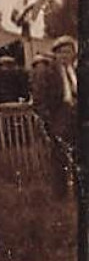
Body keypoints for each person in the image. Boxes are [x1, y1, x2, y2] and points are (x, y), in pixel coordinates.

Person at [33, 37, 79, 198]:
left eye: (68, 52)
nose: (65, 56)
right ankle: (60, 196)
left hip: (76, 119)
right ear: (55, 55)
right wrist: (48, 122)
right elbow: (39, 100)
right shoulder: (49, 72)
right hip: (58, 120)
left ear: (74, 54)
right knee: (59, 159)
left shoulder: (75, 71)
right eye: (61, 53)